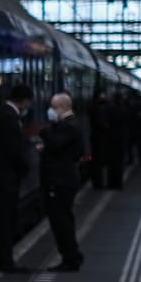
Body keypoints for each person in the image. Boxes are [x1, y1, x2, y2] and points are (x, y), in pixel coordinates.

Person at [0, 83, 34, 272]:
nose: (27, 106)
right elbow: (13, 149)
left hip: (4, 175)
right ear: (23, 101)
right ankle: (5, 261)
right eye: (28, 102)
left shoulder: (5, 114)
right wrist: (25, 167)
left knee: (7, 217)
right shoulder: (8, 117)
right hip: (6, 176)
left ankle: (5, 259)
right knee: (6, 219)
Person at [39, 92, 88, 272]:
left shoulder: (69, 126)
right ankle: (70, 256)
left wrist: (44, 132)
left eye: (53, 107)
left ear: (63, 107)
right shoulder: (70, 125)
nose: (51, 111)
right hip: (64, 178)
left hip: (61, 180)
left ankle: (71, 258)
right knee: (62, 220)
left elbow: (57, 144)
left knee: (61, 221)